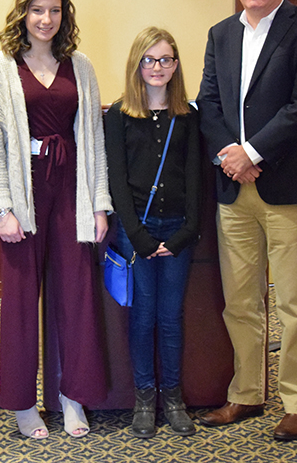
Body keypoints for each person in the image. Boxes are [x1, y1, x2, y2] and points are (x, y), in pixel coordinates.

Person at [196, 0, 297, 440]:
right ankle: (246, 394)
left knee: (296, 301)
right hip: (233, 189)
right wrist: (229, 157)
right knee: (240, 300)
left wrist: (252, 153)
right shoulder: (220, 34)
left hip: (288, 187)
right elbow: (206, 103)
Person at [0, 0, 111, 439]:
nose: (46, 19)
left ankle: (73, 396)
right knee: (19, 302)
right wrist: (1, 207)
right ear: (23, 13)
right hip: (24, 192)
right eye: (37, 10)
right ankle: (22, 403)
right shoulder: (0, 67)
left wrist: (99, 205)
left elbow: (93, 140)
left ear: (64, 14)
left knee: (76, 298)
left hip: (71, 190)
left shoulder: (81, 66)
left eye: (54, 10)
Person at [105, 27, 201, 438]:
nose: (157, 67)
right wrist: (139, 237)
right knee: (143, 317)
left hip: (178, 231)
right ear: (137, 64)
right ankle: (145, 396)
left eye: (165, 60)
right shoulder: (120, 115)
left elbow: (196, 181)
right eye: (149, 59)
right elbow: (117, 182)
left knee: (171, 316)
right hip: (136, 234)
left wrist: (186, 234)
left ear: (176, 66)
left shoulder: (188, 116)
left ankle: (173, 396)